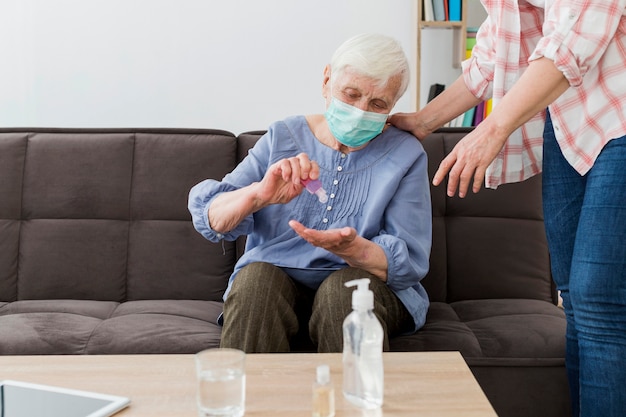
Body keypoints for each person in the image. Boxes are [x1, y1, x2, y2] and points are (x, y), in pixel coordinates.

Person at [390, 2, 626, 416]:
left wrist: (493, 128)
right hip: (569, 121)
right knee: (573, 296)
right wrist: (424, 121)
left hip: (619, 114)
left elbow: (571, 42)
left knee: (598, 298)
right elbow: (493, 56)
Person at [188, 33, 431, 354]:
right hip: (274, 280)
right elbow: (213, 217)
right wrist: (258, 194)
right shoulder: (282, 137)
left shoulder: (405, 153)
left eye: (377, 104)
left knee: (343, 292)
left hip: (362, 284)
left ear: (393, 105)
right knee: (256, 284)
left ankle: (355, 404)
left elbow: (410, 263)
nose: (360, 111)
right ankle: (251, 404)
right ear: (327, 81)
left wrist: (356, 250)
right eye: (351, 94)